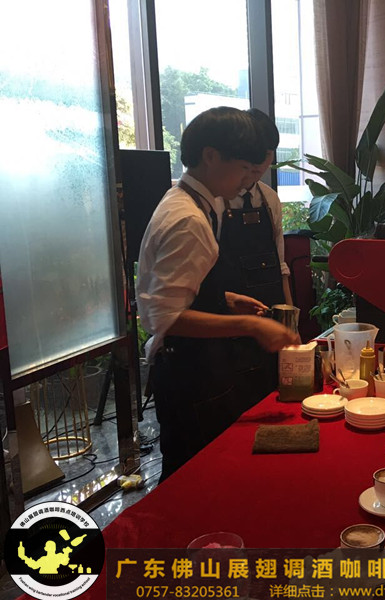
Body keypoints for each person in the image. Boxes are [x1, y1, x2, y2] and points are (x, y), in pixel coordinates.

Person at [136, 107, 299, 482]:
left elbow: (180, 289)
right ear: (210, 156)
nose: (246, 180)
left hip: (201, 366)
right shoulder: (189, 219)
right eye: (243, 168)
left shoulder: (195, 203)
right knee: (194, 479)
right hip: (188, 373)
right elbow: (163, 318)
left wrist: (226, 299)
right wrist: (249, 325)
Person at [216, 108, 293, 408]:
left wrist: (290, 321)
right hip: (229, 322)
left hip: (269, 314)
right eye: (252, 164)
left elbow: (280, 266)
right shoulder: (214, 202)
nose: (261, 165)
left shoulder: (269, 199)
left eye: (268, 156)